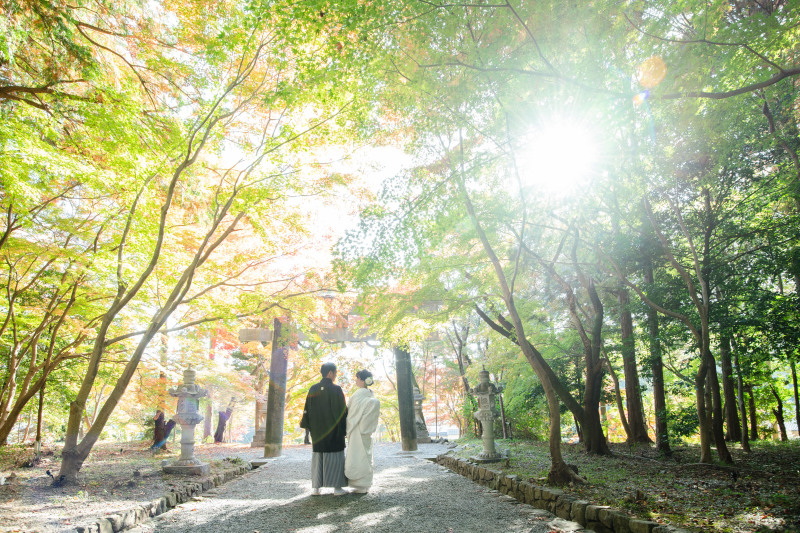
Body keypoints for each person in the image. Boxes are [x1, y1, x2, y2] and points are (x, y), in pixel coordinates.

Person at [300, 362, 347, 496]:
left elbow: (307, 410)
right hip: (333, 431)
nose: (336, 375)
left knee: (318, 457)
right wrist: (344, 429)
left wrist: (308, 429)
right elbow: (342, 411)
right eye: (335, 373)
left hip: (318, 431)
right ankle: (337, 488)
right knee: (336, 456)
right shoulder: (336, 389)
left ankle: (316, 488)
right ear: (330, 373)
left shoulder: (313, 389)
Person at [344, 369, 381, 494]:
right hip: (365, 430)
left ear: (361, 379)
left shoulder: (358, 394)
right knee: (366, 454)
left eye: (357, 378)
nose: (355, 380)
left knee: (356, 455)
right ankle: (365, 484)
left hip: (355, 429)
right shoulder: (370, 394)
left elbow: (350, 412)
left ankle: (357, 484)